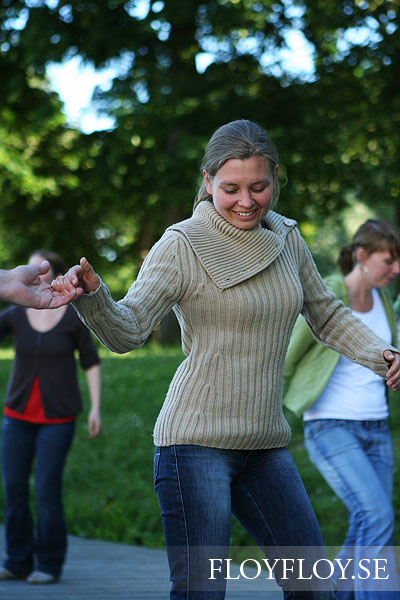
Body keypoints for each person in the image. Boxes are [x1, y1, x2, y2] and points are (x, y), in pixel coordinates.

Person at [51, 120, 400, 600]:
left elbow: (326, 313)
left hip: (265, 445)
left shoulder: (287, 238)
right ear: (207, 180)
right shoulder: (182, 243)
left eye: (259, 186)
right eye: (231, 188)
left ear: (275, 177)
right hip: (193, 446)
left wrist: (382, 356)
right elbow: (127, 331)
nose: (247, 201)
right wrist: (93, 297)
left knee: (315, 589)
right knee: (202, 593)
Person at [283, 220, 400, 599]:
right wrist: (268, 413)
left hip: (376, 429)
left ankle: (325, 593)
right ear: (362, 255)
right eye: (389, 260)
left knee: (368, 522)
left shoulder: (384, 300)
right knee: (378, 517)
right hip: (331, 428)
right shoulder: (330, 292)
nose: (396, 270)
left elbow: (387, 353)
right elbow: (288, 357)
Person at [0, 250, 101, 585]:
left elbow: (90, 361)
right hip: (17, 417)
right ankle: (17, 560)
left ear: (50, 274)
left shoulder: (72, 318)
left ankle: (49, 563)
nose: (32, 274)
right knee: (13, 489)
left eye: (37, 268)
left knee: (46, 490)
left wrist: (96, 407)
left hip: (57, 420)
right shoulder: (14, 314)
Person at [0, 263, 79, 308]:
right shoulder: (15, 314)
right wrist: (10, 280)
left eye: (41, 273)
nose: (35, 276)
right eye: (30, 266)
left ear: (57, 276)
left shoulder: (73, 311)